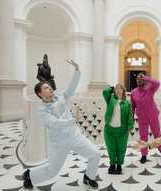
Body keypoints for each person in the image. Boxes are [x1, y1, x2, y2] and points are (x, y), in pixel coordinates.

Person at [22, 60, 100, 189]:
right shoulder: (41, 110)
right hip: (59, 143)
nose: (50, 88)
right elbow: (54, 123)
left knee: (95, 154)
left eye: (50, 86)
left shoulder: (61, 97)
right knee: (52, 171)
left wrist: (77, 70)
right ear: (40, 94)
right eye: (46, 87)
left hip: (75, 136)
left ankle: (89, 177)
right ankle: (30, 175)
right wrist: (72, 120)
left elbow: (71, 87)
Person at [130, 73, 161, 163]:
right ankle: (144, 155)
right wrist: (131, 116)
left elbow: (157, 83)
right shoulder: (133, 92)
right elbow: (133, 106)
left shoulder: (149, 88)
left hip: (152, 115)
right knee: (143, 137)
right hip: (142, 117)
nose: (139, 80)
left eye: (141, 78)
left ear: (144, 79)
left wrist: (146, 78)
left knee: (157, 134)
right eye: (138, 79)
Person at [102, 84, 134, 174]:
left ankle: (119, 165)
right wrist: (111, 88)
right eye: (116, 89)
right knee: (111, 148)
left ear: (123, 91)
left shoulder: (127, 104)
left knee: (121, 148)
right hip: (109, 130)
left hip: (122, 131)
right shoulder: (110, 99)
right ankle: (112, 164)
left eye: (120, 88)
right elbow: (104, 92)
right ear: (114, 91)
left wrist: (130, 126)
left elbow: (130, 117)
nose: (118, 90)